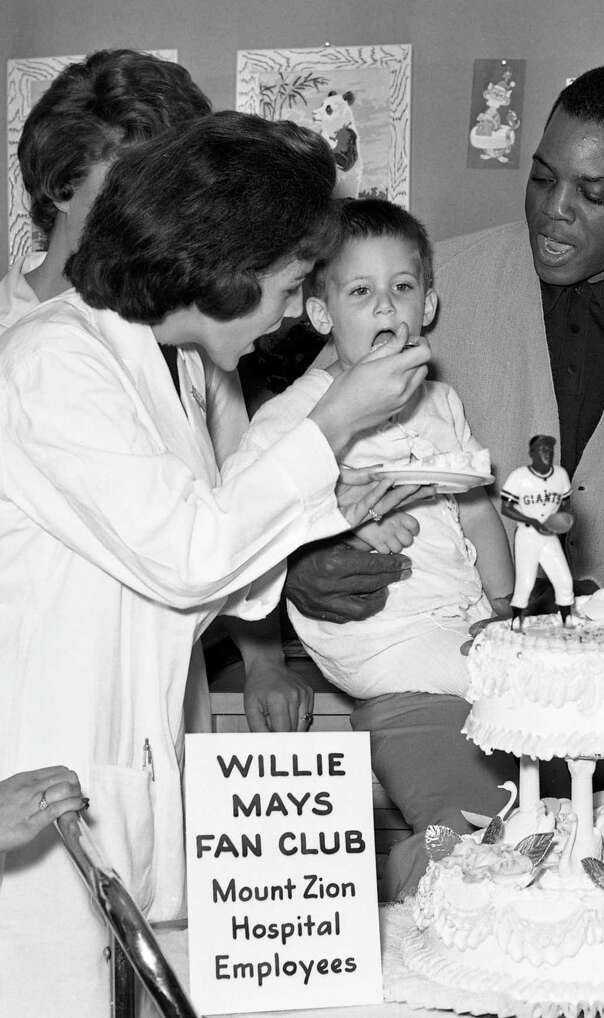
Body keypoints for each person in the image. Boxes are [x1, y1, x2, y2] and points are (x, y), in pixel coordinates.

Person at [0, 111, 431, 1017]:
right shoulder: (51, 363)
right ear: (223, 270)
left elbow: (183, 583)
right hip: (41, 798)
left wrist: (320, 514)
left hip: (128, 786)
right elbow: (187, 555)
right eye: (284, 287)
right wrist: (335, 420)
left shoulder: (175, 368)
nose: (285, 313)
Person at [286, 63, 604, 628]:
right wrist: (300, 556)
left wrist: (592, 601)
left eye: (593, 193)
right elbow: (305, 439)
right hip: (434, 670)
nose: (554, 209)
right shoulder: (416, 292)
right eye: (543, 178)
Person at [4, 48, 313, 734]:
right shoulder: (29, 346)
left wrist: (263, 659)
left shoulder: (187, 343)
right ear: (60, 183)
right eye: (134, 184)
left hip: (157, 692)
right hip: (46, 700)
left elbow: (234, 504)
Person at [224, 197, 517, 899]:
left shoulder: (441, 403)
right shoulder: (295, 414)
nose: (386, 305)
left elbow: (476, 512)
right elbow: (243, 520)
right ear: (323, 313)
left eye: (403, 287)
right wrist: (341, 523)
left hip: (459, 627)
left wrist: (510, 616)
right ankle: (421, 876)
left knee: (517, 804)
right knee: (493, 780)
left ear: (430, 302)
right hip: (385, 647)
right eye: (361, 292)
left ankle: (440, 862)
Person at [501, 435, 575, 626]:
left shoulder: (560, 475)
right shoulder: (519, 476)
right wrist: (532, 520)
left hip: (549, 535)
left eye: (550, 450)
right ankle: (516, 622)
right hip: (527, 535)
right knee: (525, 583)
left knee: (564, 580)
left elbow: (566, 503)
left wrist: (563, 518)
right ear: (532, 453)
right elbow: (506, 508)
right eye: (542, 450)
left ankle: (567, 622)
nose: (547, 454)